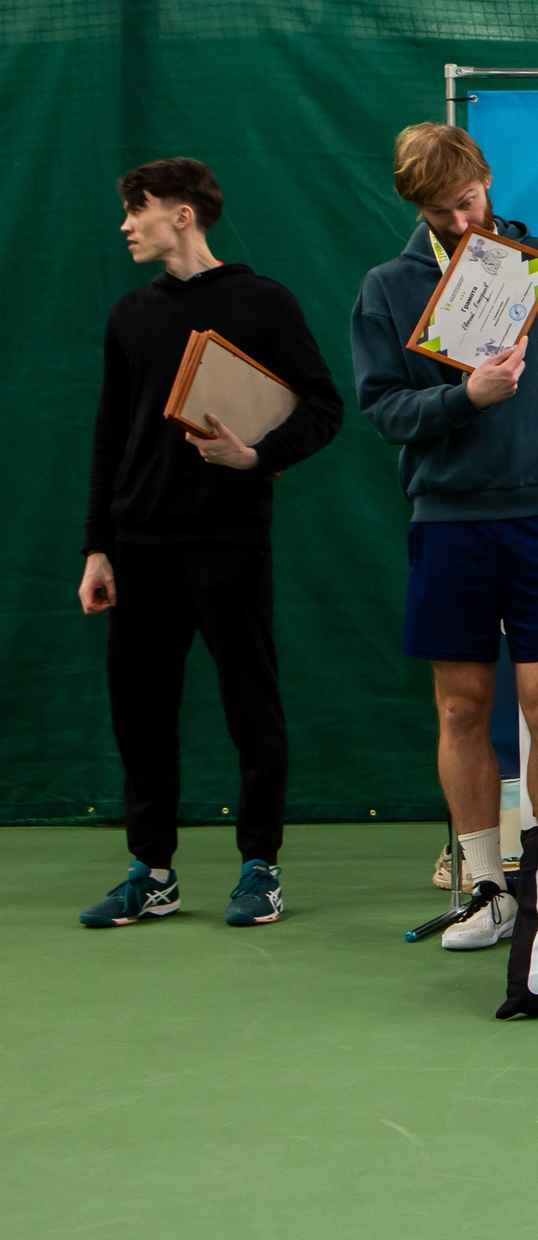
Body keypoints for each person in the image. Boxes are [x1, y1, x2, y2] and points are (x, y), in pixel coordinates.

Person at [350, 124, 538, 951]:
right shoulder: (388, 286)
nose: (462, 222)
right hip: (448, 521)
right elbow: (383, 410)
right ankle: (484, 887)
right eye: (442, 212)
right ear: (416, 207)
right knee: (462, 706)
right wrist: (464, 397)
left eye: (468, 201)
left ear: (487, 179)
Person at [77, 159, 344, 929]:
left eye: (140, 209)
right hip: (137, 546)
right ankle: (151, 872)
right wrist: (99, 546)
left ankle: (260, 866)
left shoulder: (263, 301)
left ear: (185, 214)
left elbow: (323, 406)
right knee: (140, 711)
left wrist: (257, 456)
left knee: (250, 703)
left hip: (228, 542)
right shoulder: (130, 315)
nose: (128, 223)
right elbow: (108, 436)